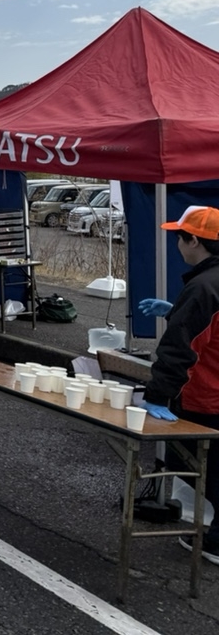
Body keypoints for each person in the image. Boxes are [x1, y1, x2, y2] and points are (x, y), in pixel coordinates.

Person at [137, 205, 219, 564]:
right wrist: (175, 311)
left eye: (180, 238)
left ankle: (216, 544)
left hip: (206, 395)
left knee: (202, 467)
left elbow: (180, 348)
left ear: (194, 241)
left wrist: (156, 395)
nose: (178, 245)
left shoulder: (203, 287)